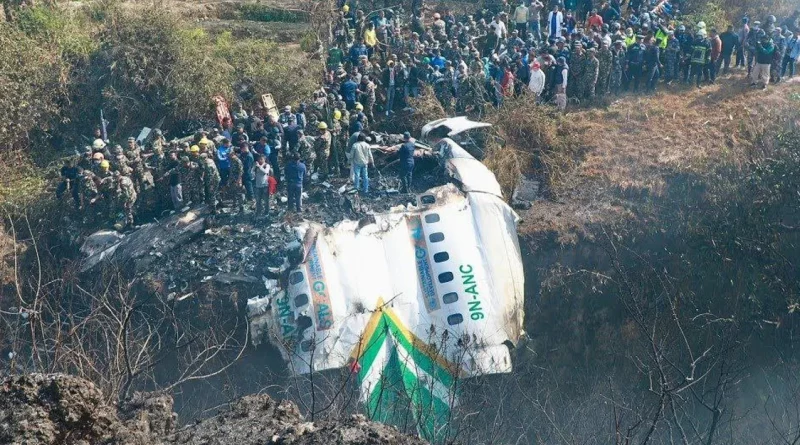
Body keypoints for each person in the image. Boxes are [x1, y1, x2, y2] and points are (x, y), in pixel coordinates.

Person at [253, 154, 272, 219]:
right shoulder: (256, 166)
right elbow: (252, 173)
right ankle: (258, 212)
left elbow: (266, 172)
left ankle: (266, 212)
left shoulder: (267, 165)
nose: (260, 160)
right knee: (258, 200)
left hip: (265, 185)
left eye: (261, 159)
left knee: (266, 200)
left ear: (264, 159)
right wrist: (254, 167)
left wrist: (260, 166)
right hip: (258, 185)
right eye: (259, 159)